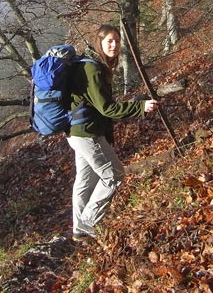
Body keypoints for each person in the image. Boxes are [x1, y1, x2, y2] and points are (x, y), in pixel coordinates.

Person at [67, 24, 158, 239]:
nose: (114, 45)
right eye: (109, 41)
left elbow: (102, 105)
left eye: (117, 41)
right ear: (99, 42)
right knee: (114, 174)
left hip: (77, 132)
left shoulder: (93, 64)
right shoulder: (92, 69)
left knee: (85, 180)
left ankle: (79, 229)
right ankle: (88, 222)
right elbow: (107, 108)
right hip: (87, 134)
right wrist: (140, 108)